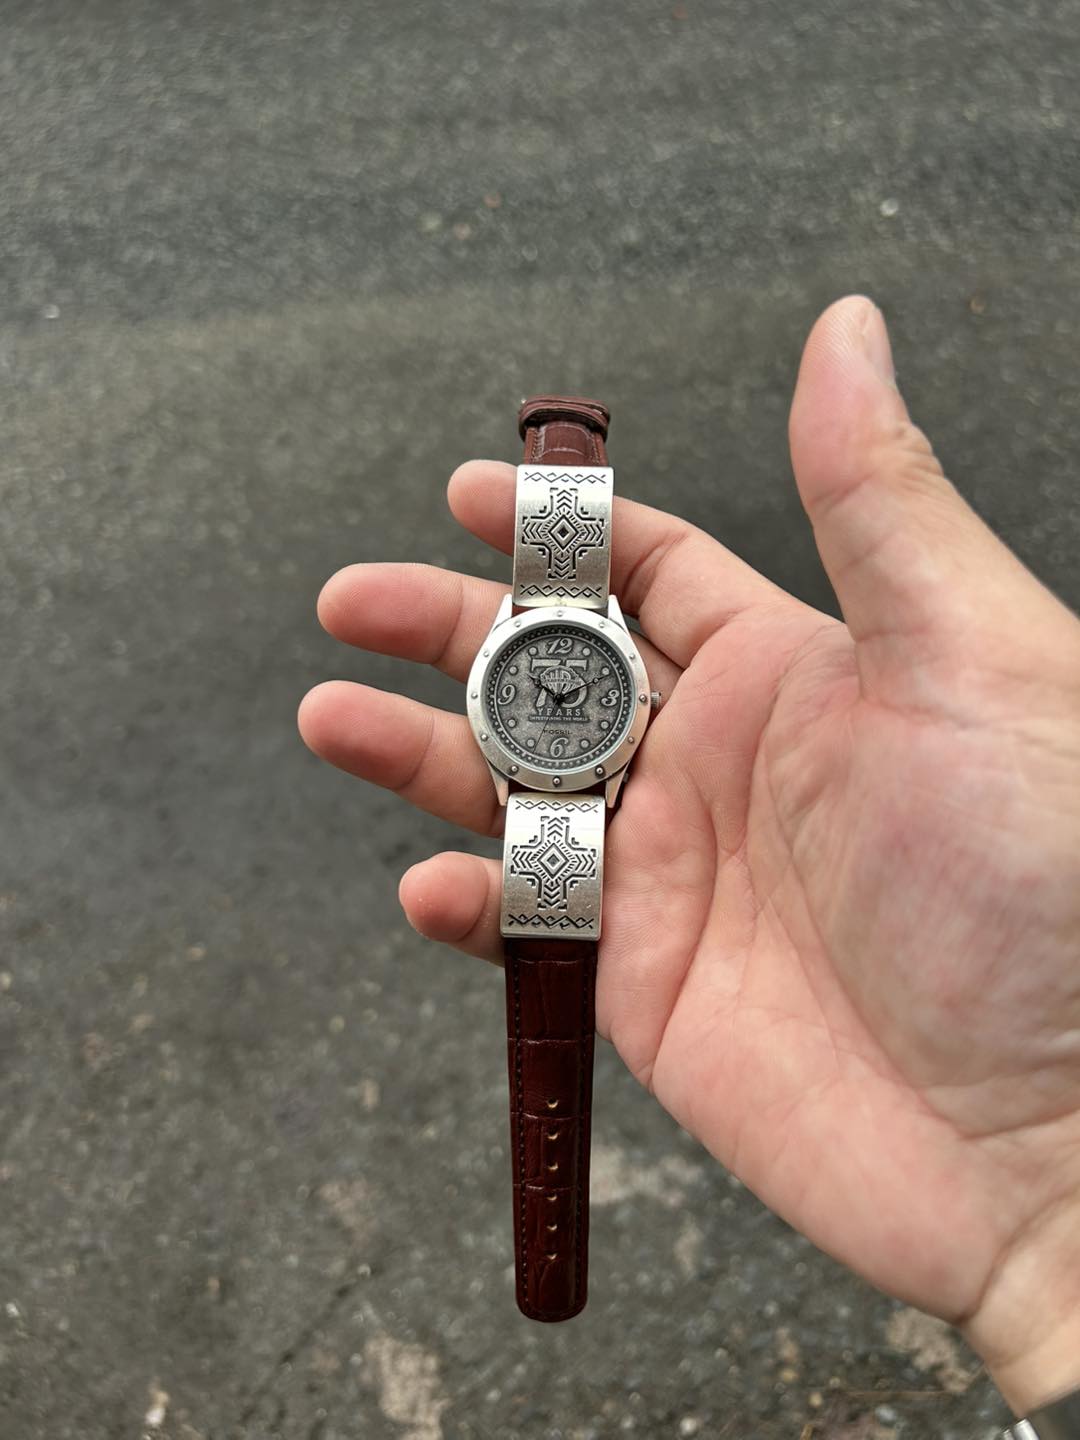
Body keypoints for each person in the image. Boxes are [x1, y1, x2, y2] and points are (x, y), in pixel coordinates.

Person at [298, 295, 1080, 1420]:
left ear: (634, 699)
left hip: (560, 802)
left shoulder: (575, 678)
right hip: (552, 801)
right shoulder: (576, 659)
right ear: (504, 691)